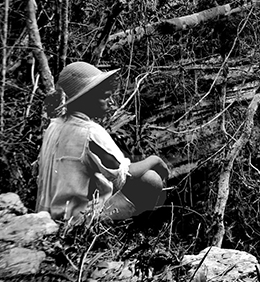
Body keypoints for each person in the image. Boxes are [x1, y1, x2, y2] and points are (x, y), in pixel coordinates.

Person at [36, 61, 169, 222]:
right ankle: (134, 229)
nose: (111, 102)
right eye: (105, 97)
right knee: (151, 180)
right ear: (86, 99)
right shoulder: (90, 132)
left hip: (48, 215)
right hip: (75, 220)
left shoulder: (54, 125)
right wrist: (155, 160)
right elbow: (125, 175)